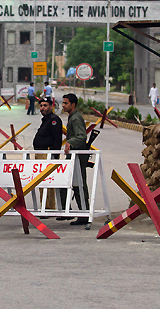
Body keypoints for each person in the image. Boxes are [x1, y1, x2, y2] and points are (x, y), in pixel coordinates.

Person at [59, 93, 90, 226]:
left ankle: (84, 213)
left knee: (79, 184)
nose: (63, 105)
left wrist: (70, 142)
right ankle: (75, 212)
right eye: (63, 103)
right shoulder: (73, 117)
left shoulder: (76, 118)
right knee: (74, 183)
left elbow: (82, 136)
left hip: (77, 157)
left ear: (73, 104)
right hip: (74, 157)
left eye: (66, 103)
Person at [32, 97, 63, 211]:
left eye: (45, 105)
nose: (43, 108)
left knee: (48, 182)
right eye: (41, 106)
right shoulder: (45, 120)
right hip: (40, 153)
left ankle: (49, 207)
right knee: (41, 181)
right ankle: (44, 206)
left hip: (48, 154)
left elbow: (57, 139)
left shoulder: (54, 120)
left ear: (51, 106)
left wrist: (55, 155)